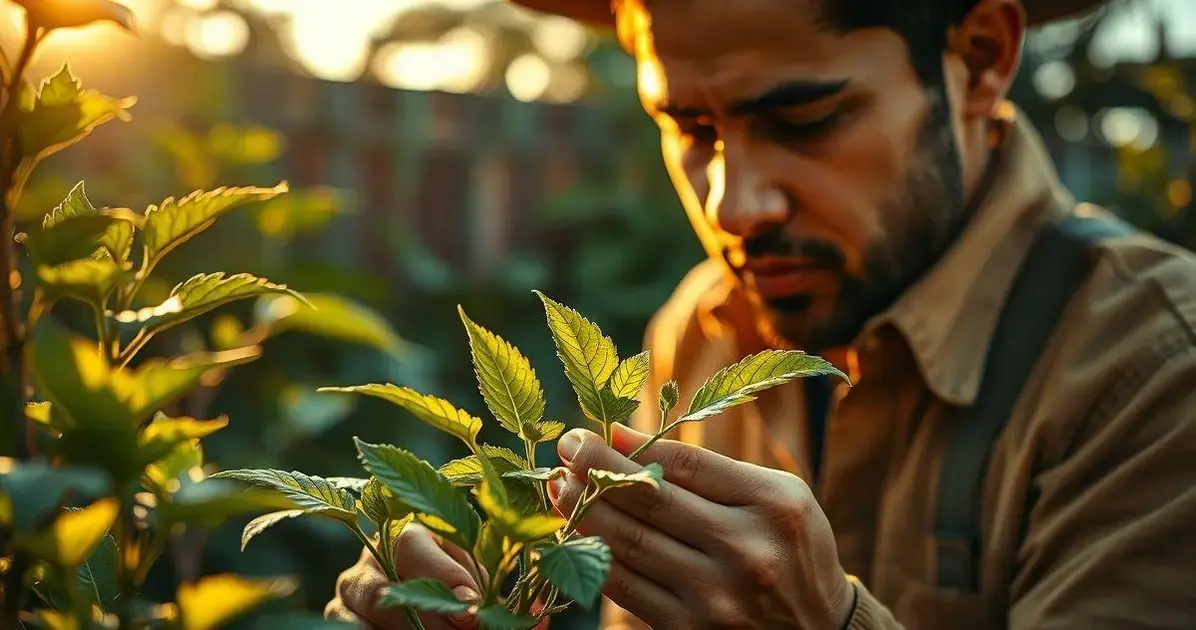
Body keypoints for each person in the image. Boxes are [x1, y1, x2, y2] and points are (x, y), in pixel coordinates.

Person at [325, 0, 1196, 627]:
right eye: (690, 127)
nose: (733, 205)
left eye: (805, 120)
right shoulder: (705, 328)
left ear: (981, 55)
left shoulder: (1155, 371)